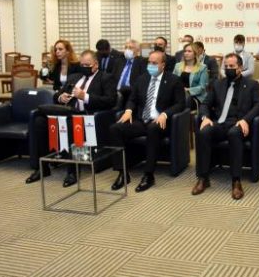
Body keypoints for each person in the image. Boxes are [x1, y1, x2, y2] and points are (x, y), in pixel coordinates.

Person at [25, 50, 117, 185]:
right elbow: (57, 95)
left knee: (71, 123)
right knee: (39, 121)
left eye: (87, 65)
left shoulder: (106, 78)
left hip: (88, 117)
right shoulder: (74, 77)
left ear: (96, 64)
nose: (84, 68)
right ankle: (43, 168)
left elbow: (110, 101)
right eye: (82, 65)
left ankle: (72, 171)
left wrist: (85, 97)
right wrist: (61, 98)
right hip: (66, 113)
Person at [109, 50, 185, 193]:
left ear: (163, 65)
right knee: (115, 128)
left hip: (160, 122)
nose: (150, 65)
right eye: (149, 62)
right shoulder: (142, 79)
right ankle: (122, 173)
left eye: (154, 63)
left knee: (152, 128)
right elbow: (132, 99)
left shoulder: (174, 80)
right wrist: (128, 110)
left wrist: (165, 114)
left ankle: (148, 174)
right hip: (141, 120)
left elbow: (180, 104)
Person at [192, 53, 259, 200]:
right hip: (219, 123)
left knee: (234, 133)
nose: (228, 69)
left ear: (240, 67)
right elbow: (205, 103)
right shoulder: (218, 84)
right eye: (226, 66)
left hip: (238, 123)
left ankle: (236, 180)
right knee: (204, 132)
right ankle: (203, 177)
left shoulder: (252, 85)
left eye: (232, 66)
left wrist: (245, 120)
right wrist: (205, 117)